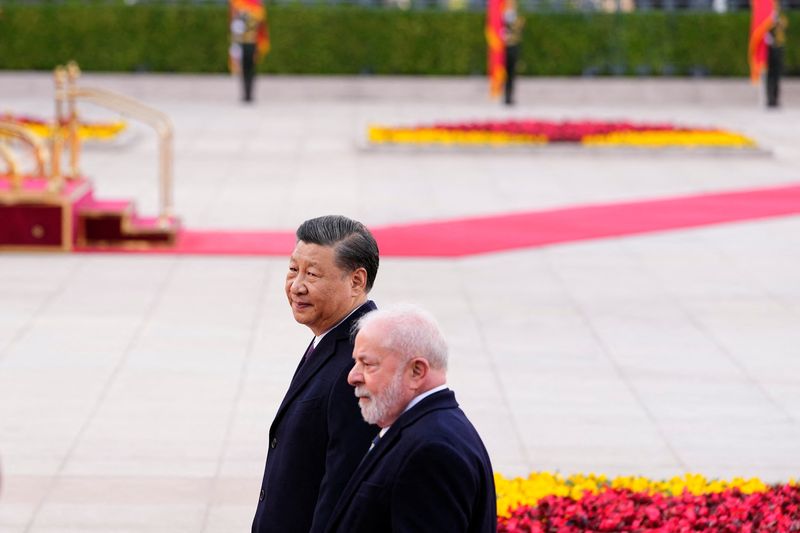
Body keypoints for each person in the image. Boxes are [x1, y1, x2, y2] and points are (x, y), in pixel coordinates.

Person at [251, 215, 380, 533]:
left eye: (312, 274)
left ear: (356, 281)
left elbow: (342, 488)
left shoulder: (359, 360)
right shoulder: (330, 336)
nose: (296, 286)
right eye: (293, 270)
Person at [325, 305, 497, 533]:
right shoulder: (428, 430)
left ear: (416, 371)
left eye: (367, 364)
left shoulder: (432, 451)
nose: (352, 377)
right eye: (356, 362)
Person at [229, 0, 269, 103]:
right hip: (243, 43)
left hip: (252, 43)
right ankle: (246, 94)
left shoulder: (255, 9)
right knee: (244, 69)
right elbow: (235, 28)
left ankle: (249, 94)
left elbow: (260, 29)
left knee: (250, 69)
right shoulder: (240, 7)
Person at [502, 0, 525, 106]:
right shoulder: (503, 16)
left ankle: (510, 96)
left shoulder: (516, 17)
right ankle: (505, 96)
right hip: (504, 47)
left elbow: (519, 31)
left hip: (513, 46)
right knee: (504, 73)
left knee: (512, 73)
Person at [765, 10, 788, 108]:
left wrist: (776, 20)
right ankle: (770, 99)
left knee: (777, 75)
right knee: (770, 75)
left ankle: (775, 99)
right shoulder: (768, 21)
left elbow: (784, 25)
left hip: (779, 48)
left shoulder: (781, 18)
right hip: (770, 49)